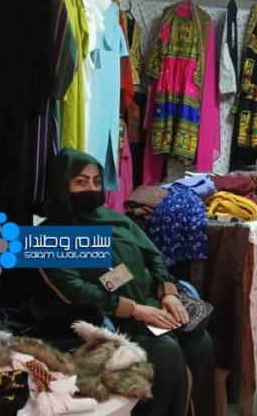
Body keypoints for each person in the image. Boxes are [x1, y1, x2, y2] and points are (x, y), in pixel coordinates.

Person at [35, 148, 215, 416]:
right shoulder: (49, 236)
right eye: (81, 182)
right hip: (109, 323)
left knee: (202, 342)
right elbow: (74, 290)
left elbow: (154, 255)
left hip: (154, 307)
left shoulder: (116, 220)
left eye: (97, 182)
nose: (92, 189)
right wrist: (134, 310)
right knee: (166, 353)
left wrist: (168, 293)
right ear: (62, 186)